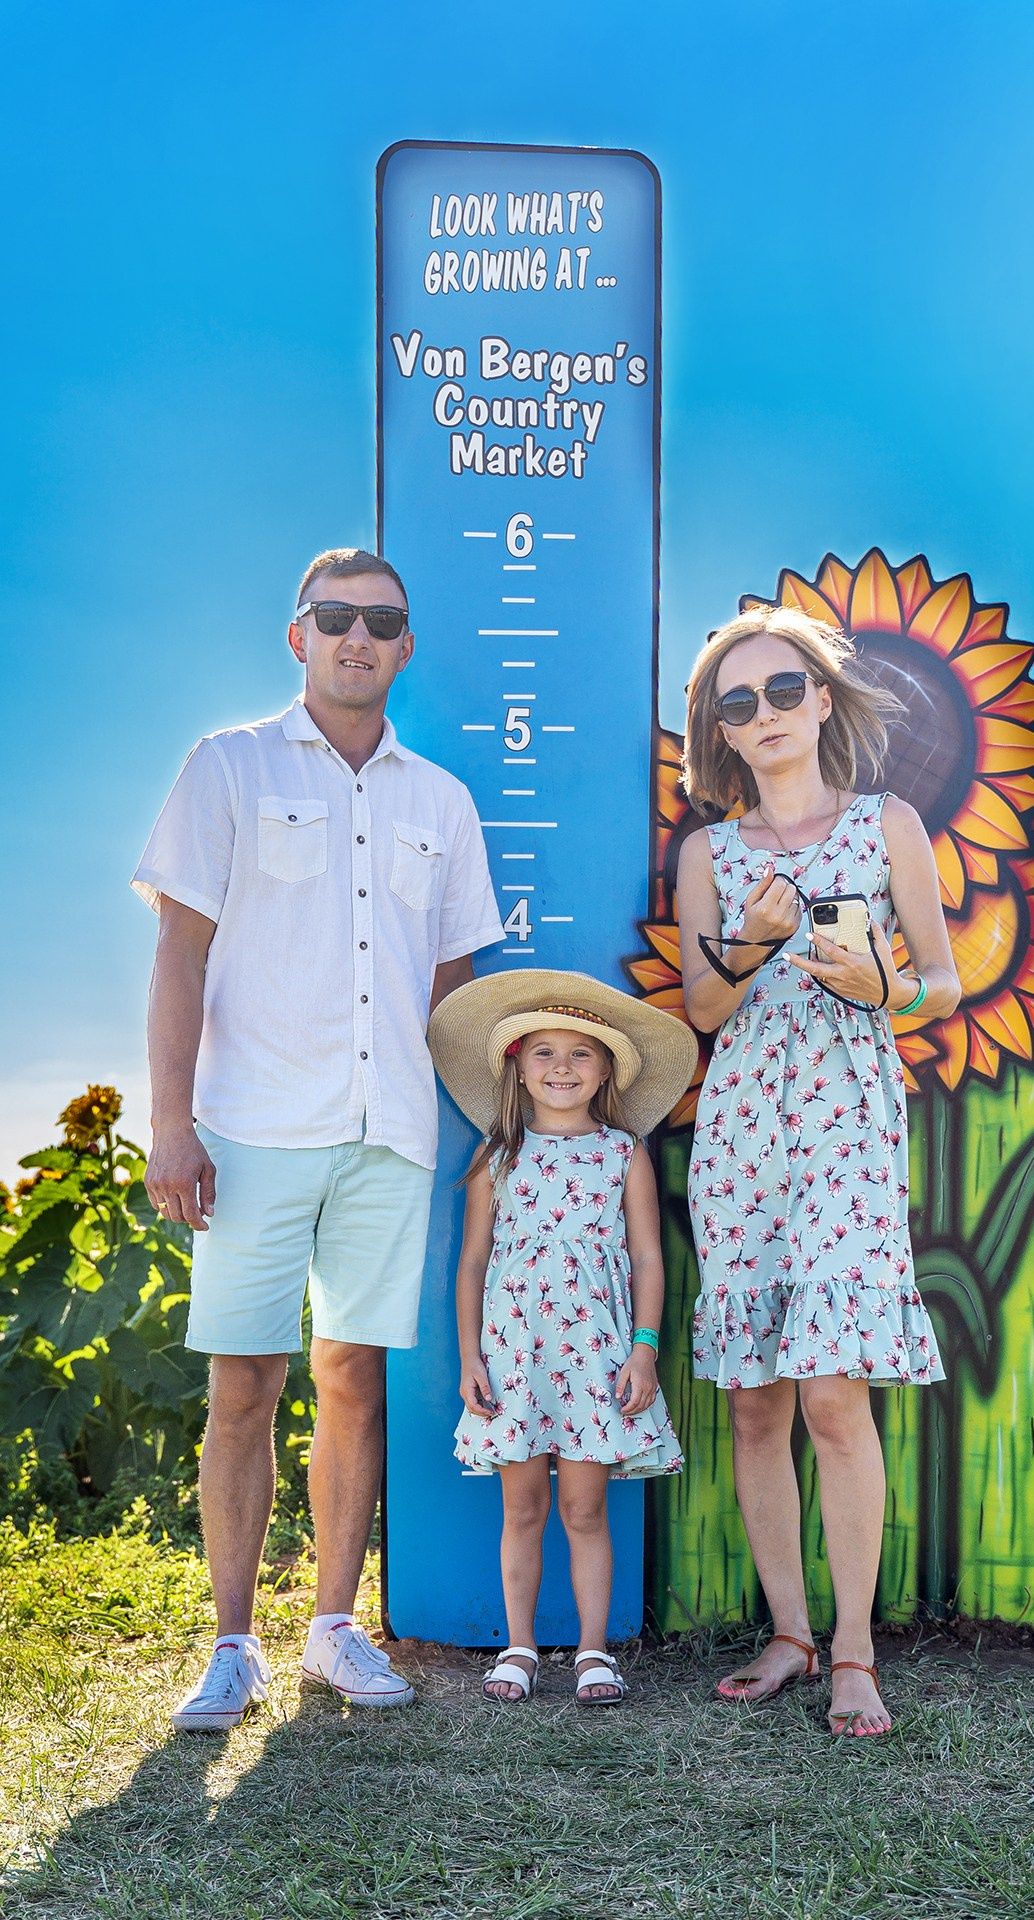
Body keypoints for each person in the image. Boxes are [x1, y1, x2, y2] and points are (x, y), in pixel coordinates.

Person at [133, 547, 504, 1731]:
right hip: (247, 1128)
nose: (358, 636)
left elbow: (451, 982)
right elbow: (179, 955)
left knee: (353, 1379)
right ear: (297, 636)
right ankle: (230, 1644)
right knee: (244, 1385)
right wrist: (170, 1123)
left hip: (385, 1132)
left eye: (381, 622)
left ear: (404, 648)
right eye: (334, 616)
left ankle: (333, 1630)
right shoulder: (226, 767)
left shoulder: (439, 802)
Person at [677, 606, 961, 1738]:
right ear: (723, 734)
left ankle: (854, 1651)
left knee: (834, 1396)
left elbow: (940, 981)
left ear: (823, 699)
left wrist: (879, 991)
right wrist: (748, 944)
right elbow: (703, 1010)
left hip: (846, 1119)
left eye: (782, 690)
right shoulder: (708, 853)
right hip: (742, 1127)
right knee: (754, 1402)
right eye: (736, 704)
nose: (764, 715)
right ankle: (787, 1635)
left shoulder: (889, 824)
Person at [428, 970, 696, 1706]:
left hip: (595, 1356)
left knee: (584, 1508)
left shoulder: (622, 1153)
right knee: (523, 1508)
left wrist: (643, 1345)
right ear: (516, 1064)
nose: (562, 1068)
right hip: (517, 1354)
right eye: (543, 1052)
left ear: (607, 1069)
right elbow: (473, 1261)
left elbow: (647, 1256)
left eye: (581, 1054)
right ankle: (517, 1647)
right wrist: (470, 1358)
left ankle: (591, 1650)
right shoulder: (498, 1155)